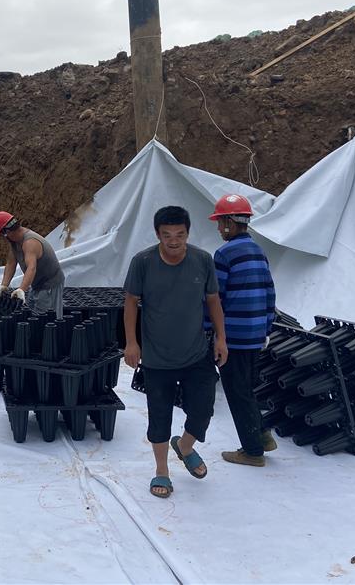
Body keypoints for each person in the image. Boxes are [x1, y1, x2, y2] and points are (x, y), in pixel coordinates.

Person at [123, 206, 228, 499]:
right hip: (157, 357)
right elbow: (131, 301)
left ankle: (184, 447)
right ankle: (162, 471)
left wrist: (221, 338)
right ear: (158, 235)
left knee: (204, 408)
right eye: (167, 235)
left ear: (188, 234)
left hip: (196, 353)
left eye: (180, 235)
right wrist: (132, 343)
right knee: (160, 416)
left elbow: (213, 300)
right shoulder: (142, 262)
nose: (174, 241)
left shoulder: (202, 260)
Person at [207, 194, 278, 467]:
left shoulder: (224, 254)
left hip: (233, 338)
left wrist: (207, 331)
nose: (217, 228)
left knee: (237, 392)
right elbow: (271, 293)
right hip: (255, 336)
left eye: (219, 222)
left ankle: (252, 452)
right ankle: (263, 436)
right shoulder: (258, 251)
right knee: (247, 388)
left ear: (228, 223)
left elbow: (215, 298)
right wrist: (266, 328)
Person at [0, 211, 65, 317]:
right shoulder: (15, 241)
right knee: (32, 313)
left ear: (6, 232)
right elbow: (11, 262)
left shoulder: (30, 242)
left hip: (50, 284)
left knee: (47, 318)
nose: (4, 238)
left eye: (2, 235)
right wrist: (4, 285)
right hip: (37, 284)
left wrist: (22, 289)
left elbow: (31, 267)